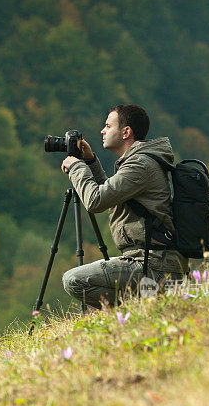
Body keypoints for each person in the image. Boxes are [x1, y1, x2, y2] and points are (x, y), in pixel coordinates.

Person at [60, 104, 188, 308]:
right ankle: (146, 307)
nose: (102, 131)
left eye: (108, 125)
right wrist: (91, 162)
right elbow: (110, 192)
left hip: (154, 265)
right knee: (78, 279)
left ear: (126, 132)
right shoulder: (140, 161)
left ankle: (144, 308)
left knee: (74, 281)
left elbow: (95, 201)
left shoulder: (140, 165)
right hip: (152, 260)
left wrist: (76, 167)